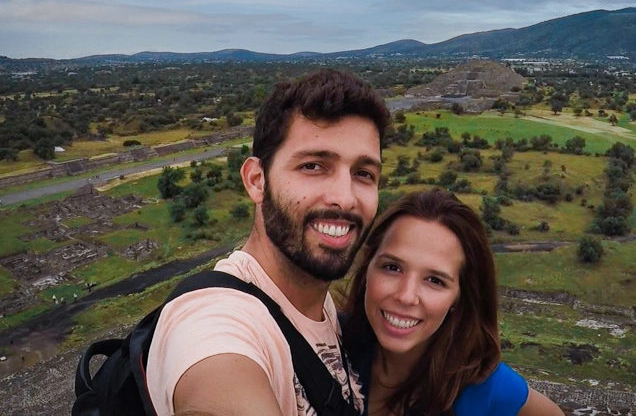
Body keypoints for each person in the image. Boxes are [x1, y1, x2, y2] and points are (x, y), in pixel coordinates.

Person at [146, 69, 391, 416]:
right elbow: (218, 379)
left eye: (364, 174)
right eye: (313, 166)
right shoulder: (214, 323)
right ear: (257, 180)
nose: (345, 198)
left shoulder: (320, 305)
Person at [342, 189, 563, 416]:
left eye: (435, 280)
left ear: (459, 297)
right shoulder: (326, 344)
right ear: (367, 268)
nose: (406, 296)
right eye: (392, 267)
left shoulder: (486, 389)